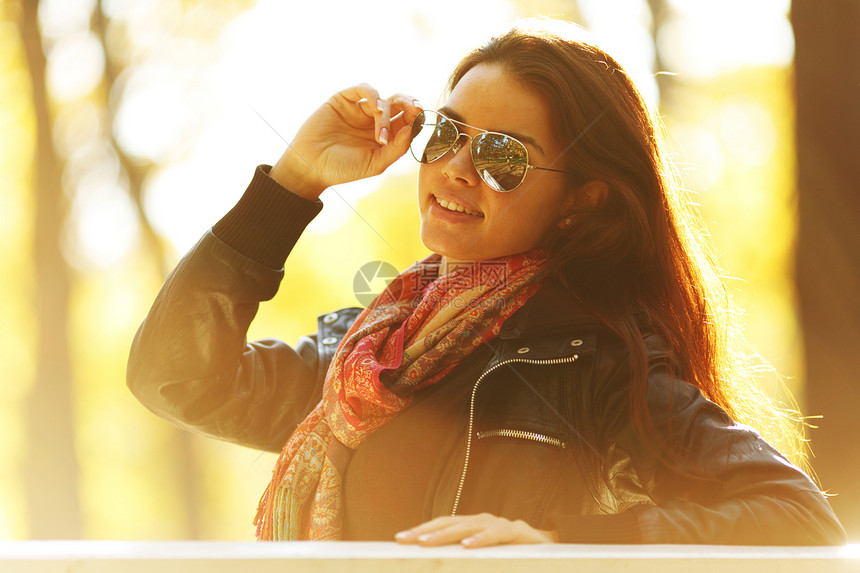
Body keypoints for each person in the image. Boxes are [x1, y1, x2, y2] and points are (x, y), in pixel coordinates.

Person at [126, 18, 847, 546]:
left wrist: (561, 545)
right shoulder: (365, 358)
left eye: (505, 156)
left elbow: (796, 515)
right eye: (446, 133)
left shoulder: (595, 359)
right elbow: (174, 377)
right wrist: (292, 184)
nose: (458, 169)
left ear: (581, 200)